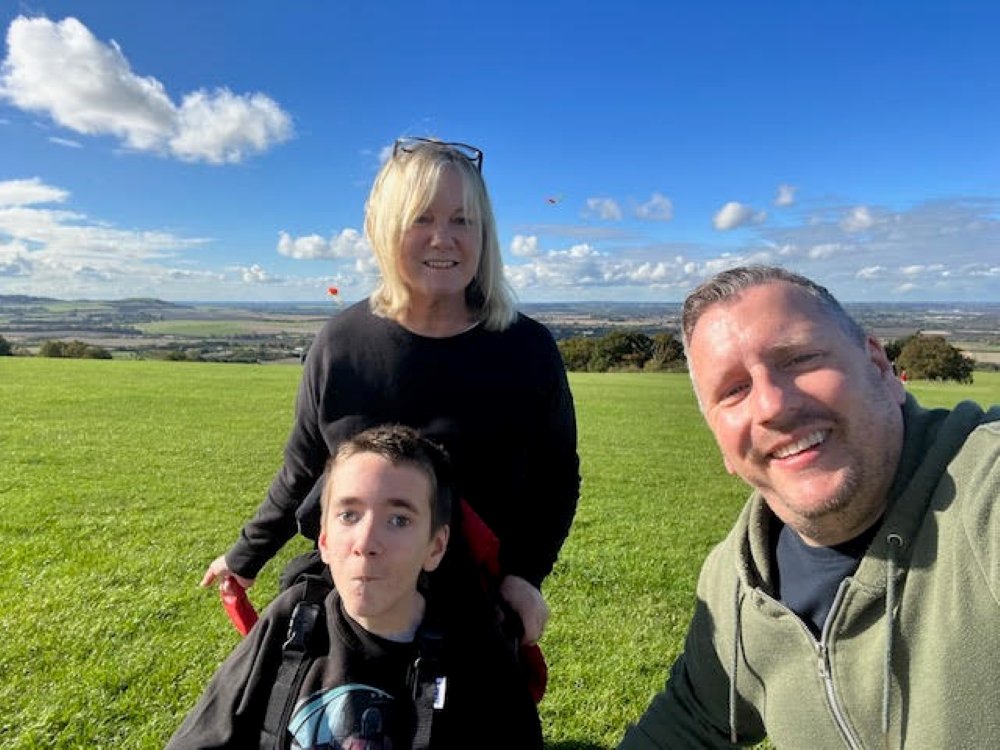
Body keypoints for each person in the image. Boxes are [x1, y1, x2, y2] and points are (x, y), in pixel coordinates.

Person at [200, 137, 580, 645]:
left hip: (475, 604)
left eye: (462, 220)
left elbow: (555, 479)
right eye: (421, 219)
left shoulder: (526, 350)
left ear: (484, 234)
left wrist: (525, 577)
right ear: (384, 230)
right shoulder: (341, 345)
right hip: (350, 599)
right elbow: (306, 462)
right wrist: (247, 555)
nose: (443, 238)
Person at [619, 265, 999, 749]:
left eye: (799, 359)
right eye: (734, 390)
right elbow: (694, 720)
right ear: (720, 444)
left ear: (881, 370)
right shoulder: (737, 583)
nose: (772, 405)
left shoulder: (985, 489)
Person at [169, 425, 543, 749]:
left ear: (436, 547)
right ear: (325, 540)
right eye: (349, 514)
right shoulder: (294, 619)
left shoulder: (474, 649)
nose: (366, 541)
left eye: (398, 519)